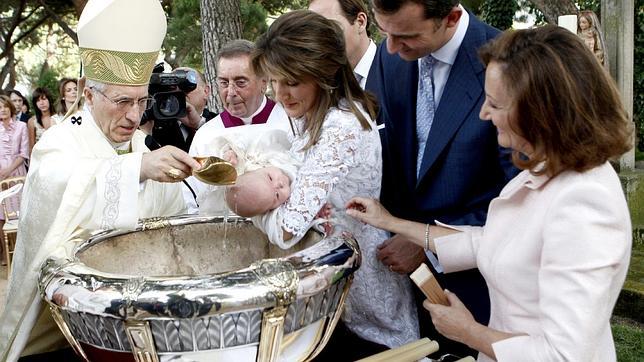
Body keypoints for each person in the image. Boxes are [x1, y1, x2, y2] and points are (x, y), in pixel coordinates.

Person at [346, 25, 632, 361]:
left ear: (537, 112)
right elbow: (490, 241)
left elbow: (563, 355)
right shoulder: (543, 171)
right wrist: (392, 222)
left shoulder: (585, 202)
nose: (483, 114)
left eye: (494, 103)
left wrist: (467, 331)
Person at [0, 0, 201, 360]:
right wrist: (137, 170)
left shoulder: (138, 142)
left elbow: (171, 219)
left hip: (140, 322)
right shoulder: (59, 143)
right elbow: (57, 190)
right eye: (123, 101)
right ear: (88, 93)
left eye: (142, 101)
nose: (134, 115)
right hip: (63, 330)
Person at [251, 10, 419, 360]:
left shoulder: (341, 125)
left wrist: (246, 202)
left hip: (367, 295)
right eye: (274, 82)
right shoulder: (315, 116)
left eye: (291, 81)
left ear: (323, 74)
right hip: (332, 294)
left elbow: (285, 230)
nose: (279, 93)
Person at [367, 0, 518, 353]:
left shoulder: (506, 64)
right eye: (384, 32)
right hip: (403, 283)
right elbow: (389, 153)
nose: (389, 48)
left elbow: (517, 198)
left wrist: (426, 243)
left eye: (405, 36)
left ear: (450, 17)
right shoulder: (391, 56)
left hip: (478, 288)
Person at [184, 39, 289, 213]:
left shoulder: (288, 122)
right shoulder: (206, 135)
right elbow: (191, 199)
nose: (231, 93)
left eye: (241, 82)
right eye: (224, 83)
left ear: (263, 81)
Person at [309, 0, 378, 90]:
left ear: (360, 22)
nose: (319, 38)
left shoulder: (396, 68)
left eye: (329, 27)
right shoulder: (320, 84)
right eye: (313, 30)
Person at [151, 67, 215, 152]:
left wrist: (199, 125)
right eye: (173, 86)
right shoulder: (155, 123)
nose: (179, 91)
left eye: (187, 84)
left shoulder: (219, 122)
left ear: (206, 91)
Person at [0, 95, 29, 266]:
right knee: (1, 217)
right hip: (0, 176)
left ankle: (21, 256)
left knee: (19, 214)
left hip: (16, 173)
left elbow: (24, 153)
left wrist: (8, 170)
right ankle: (6, 253)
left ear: (10, 107)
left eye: (5, 106)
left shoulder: (21, 126)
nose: (2, 109)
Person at [26, 87, 57, 154]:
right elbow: (31, 147)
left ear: (49, 100)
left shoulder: (58, 118)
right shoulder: (32, 121)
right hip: (39, 157)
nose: (41, 103)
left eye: (44, 99)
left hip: (57, 155)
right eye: (38, 100)